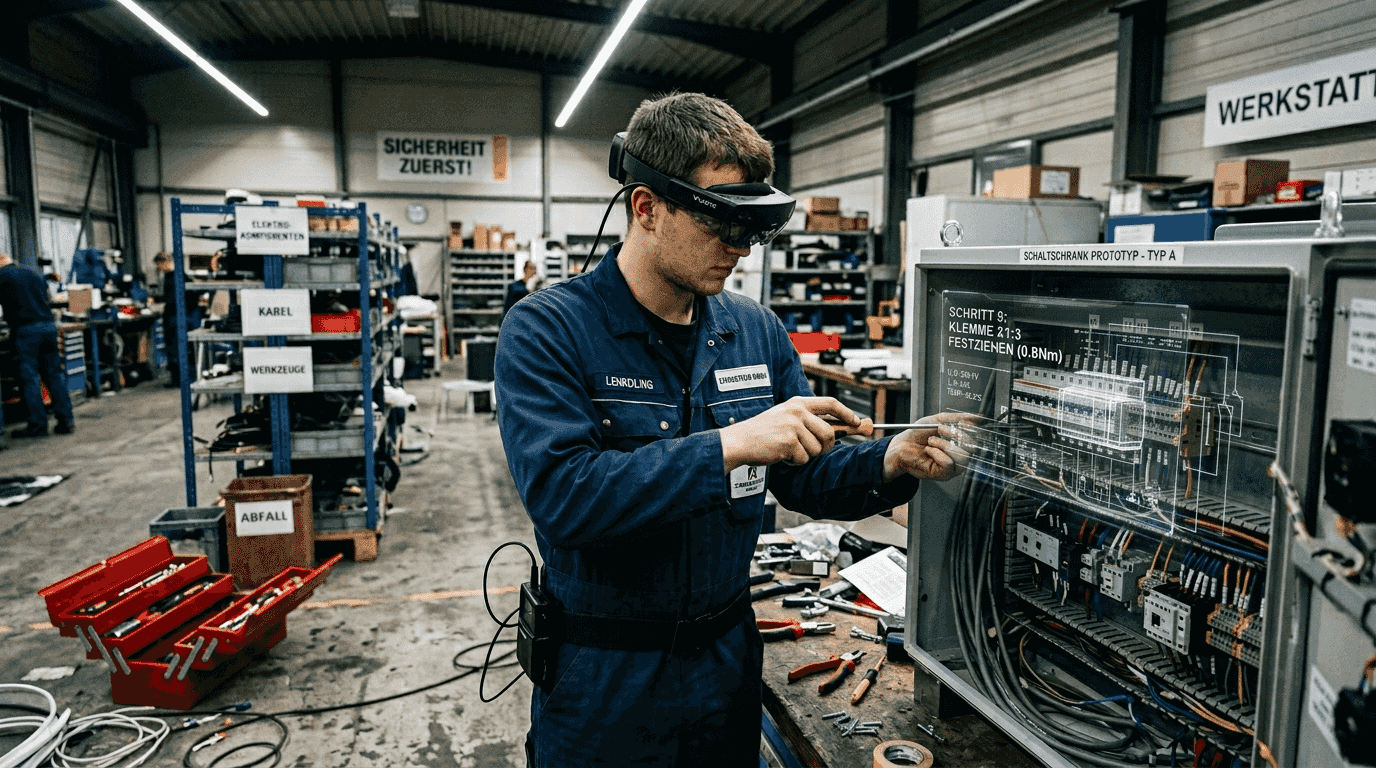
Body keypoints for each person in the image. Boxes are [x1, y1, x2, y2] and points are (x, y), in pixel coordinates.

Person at [495, 93, 969, 766]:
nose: (739, 248)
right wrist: (731, 444)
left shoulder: (753, 330)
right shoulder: (548, 330)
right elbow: (564, 497)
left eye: (749, 227)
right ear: (646, 207)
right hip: (604, 681)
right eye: (719, 222)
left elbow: (804, 476)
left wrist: (890, 459)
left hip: (724, 667)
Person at [0, 253, 74, 437]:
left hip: (25, 331)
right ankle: (66, 420)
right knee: (54, 375)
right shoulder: (33, 273)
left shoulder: (2, 276)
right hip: (48, 327)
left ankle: (38, 425)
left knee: (29, 378)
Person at [154, 252, 205, 387]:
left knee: (178, 349)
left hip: (178, 318)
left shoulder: (178, 276)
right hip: (176, 317)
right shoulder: (172, 276)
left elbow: (179, 298)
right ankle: (179, 379)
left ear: (164, 262)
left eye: (159, 265)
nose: (158, 268)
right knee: (176, 349)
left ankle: (182, 380)